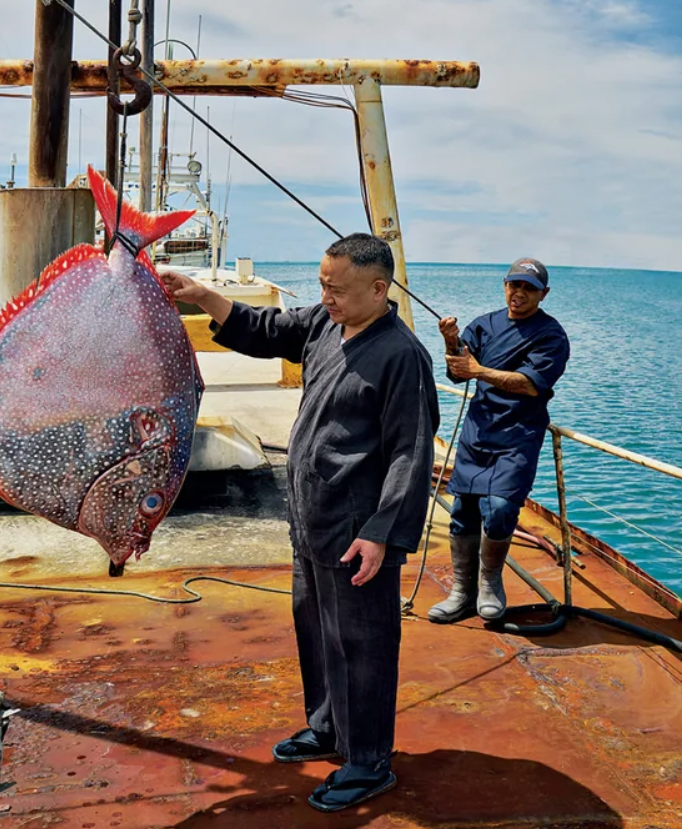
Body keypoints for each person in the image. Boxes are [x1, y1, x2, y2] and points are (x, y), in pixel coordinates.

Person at [161, 234, 439, 814]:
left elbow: (411, 453)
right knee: (313, 629)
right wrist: (202, 295)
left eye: (337, 288)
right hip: (311, 517)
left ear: (378, 288)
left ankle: (367, 760)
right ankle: (328, 727)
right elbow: (265, 331)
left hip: (359, 527)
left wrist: (383, 532)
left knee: (363, 643)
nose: (326, 296)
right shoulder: (323, 325)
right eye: (321, 284)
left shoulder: (401, 356)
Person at [429, 258, 570, 625]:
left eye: (529, 288)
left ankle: (490, 580)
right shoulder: (485, 324)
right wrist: (450, 341)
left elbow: (530, 383)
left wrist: (479, 371)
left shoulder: (551, 335)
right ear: (505, 285)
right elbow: (458, 371)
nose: (519, 294)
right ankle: (462, 591)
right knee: (463, 510)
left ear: (544, 294)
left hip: (519, 434)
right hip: (479, 429)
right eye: (514, 285)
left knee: (502, 507)